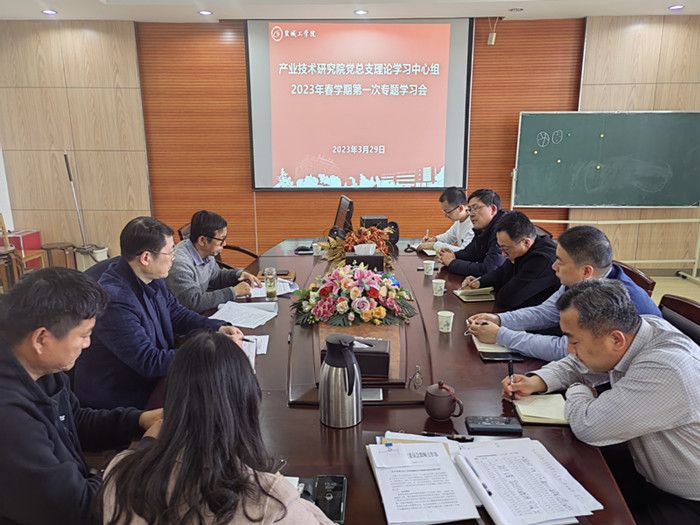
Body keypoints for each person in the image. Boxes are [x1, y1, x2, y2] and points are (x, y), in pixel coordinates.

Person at [502, 280, 700, 524]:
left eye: (574, 342)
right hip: (648, 466)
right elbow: (577, 363)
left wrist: (577, 389)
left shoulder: (667, 368)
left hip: (688, 499)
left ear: (616, 339)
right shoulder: (639, 329)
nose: (570, 349)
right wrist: (538, 380)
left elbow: (589, 426)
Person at [100, 330, 333, 525]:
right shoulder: (269, 502)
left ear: (172, 401)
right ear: (248, 403)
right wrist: (281, 487)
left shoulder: (118, 473)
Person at [0, 268, 162, 525]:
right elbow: (79, 509)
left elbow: (74, 419)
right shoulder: (9, 417)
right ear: (41, 338)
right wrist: (145, 449)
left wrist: (139, 420)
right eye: (84, 335)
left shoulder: (42, 369)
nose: (88, 344)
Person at [73, 217, 244, 410]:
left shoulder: (151, 276)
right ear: (146, 258)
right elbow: (149, 361)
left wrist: (217, 328)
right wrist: (209, 352)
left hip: (152, 380)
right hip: (122, 399)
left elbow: (176, 313)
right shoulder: (115, 300)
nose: (174, 258)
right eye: (170, 252)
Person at [468, 225, 661, 361]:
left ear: (586, 271)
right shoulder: (582, 281)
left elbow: (567, 350)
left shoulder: (613, 302)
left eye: (560, 261)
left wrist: (501, 335)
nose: (553, 266)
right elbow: (546, 312)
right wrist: (499, 320)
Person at [167, 210, 261, 313]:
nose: (224, 244)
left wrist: (239, 274)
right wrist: (233, 292)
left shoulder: (205, 252)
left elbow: (216, 277)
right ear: (202, 240)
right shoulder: (180, 264)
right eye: (221, 239)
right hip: (186, 317)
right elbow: (194, 302)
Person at [461, 211, 559, 309]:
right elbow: (501, 272)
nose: (503, 254)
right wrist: (480, 282)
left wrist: (503, 282)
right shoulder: (520, 249)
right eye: (500, 247)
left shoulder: (542, 259)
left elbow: (507, 298)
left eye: (506, 249)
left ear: (526, 242)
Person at [436, 188, 506, 276]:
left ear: (492, 209)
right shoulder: (482, 228)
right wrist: (452, 255)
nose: (471, 214)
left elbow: (488, 269)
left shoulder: (504, 230)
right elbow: (470, 253)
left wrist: (451, 262)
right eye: (470, 209)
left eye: (475, 208)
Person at [417, 187, 474, 253]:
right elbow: (449, 236)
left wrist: (434, 245)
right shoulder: (459, 221)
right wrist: (434, 239)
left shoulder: (474, 224)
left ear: (460, 208)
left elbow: (464, 251)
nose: (445, 215)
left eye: (447, 211)